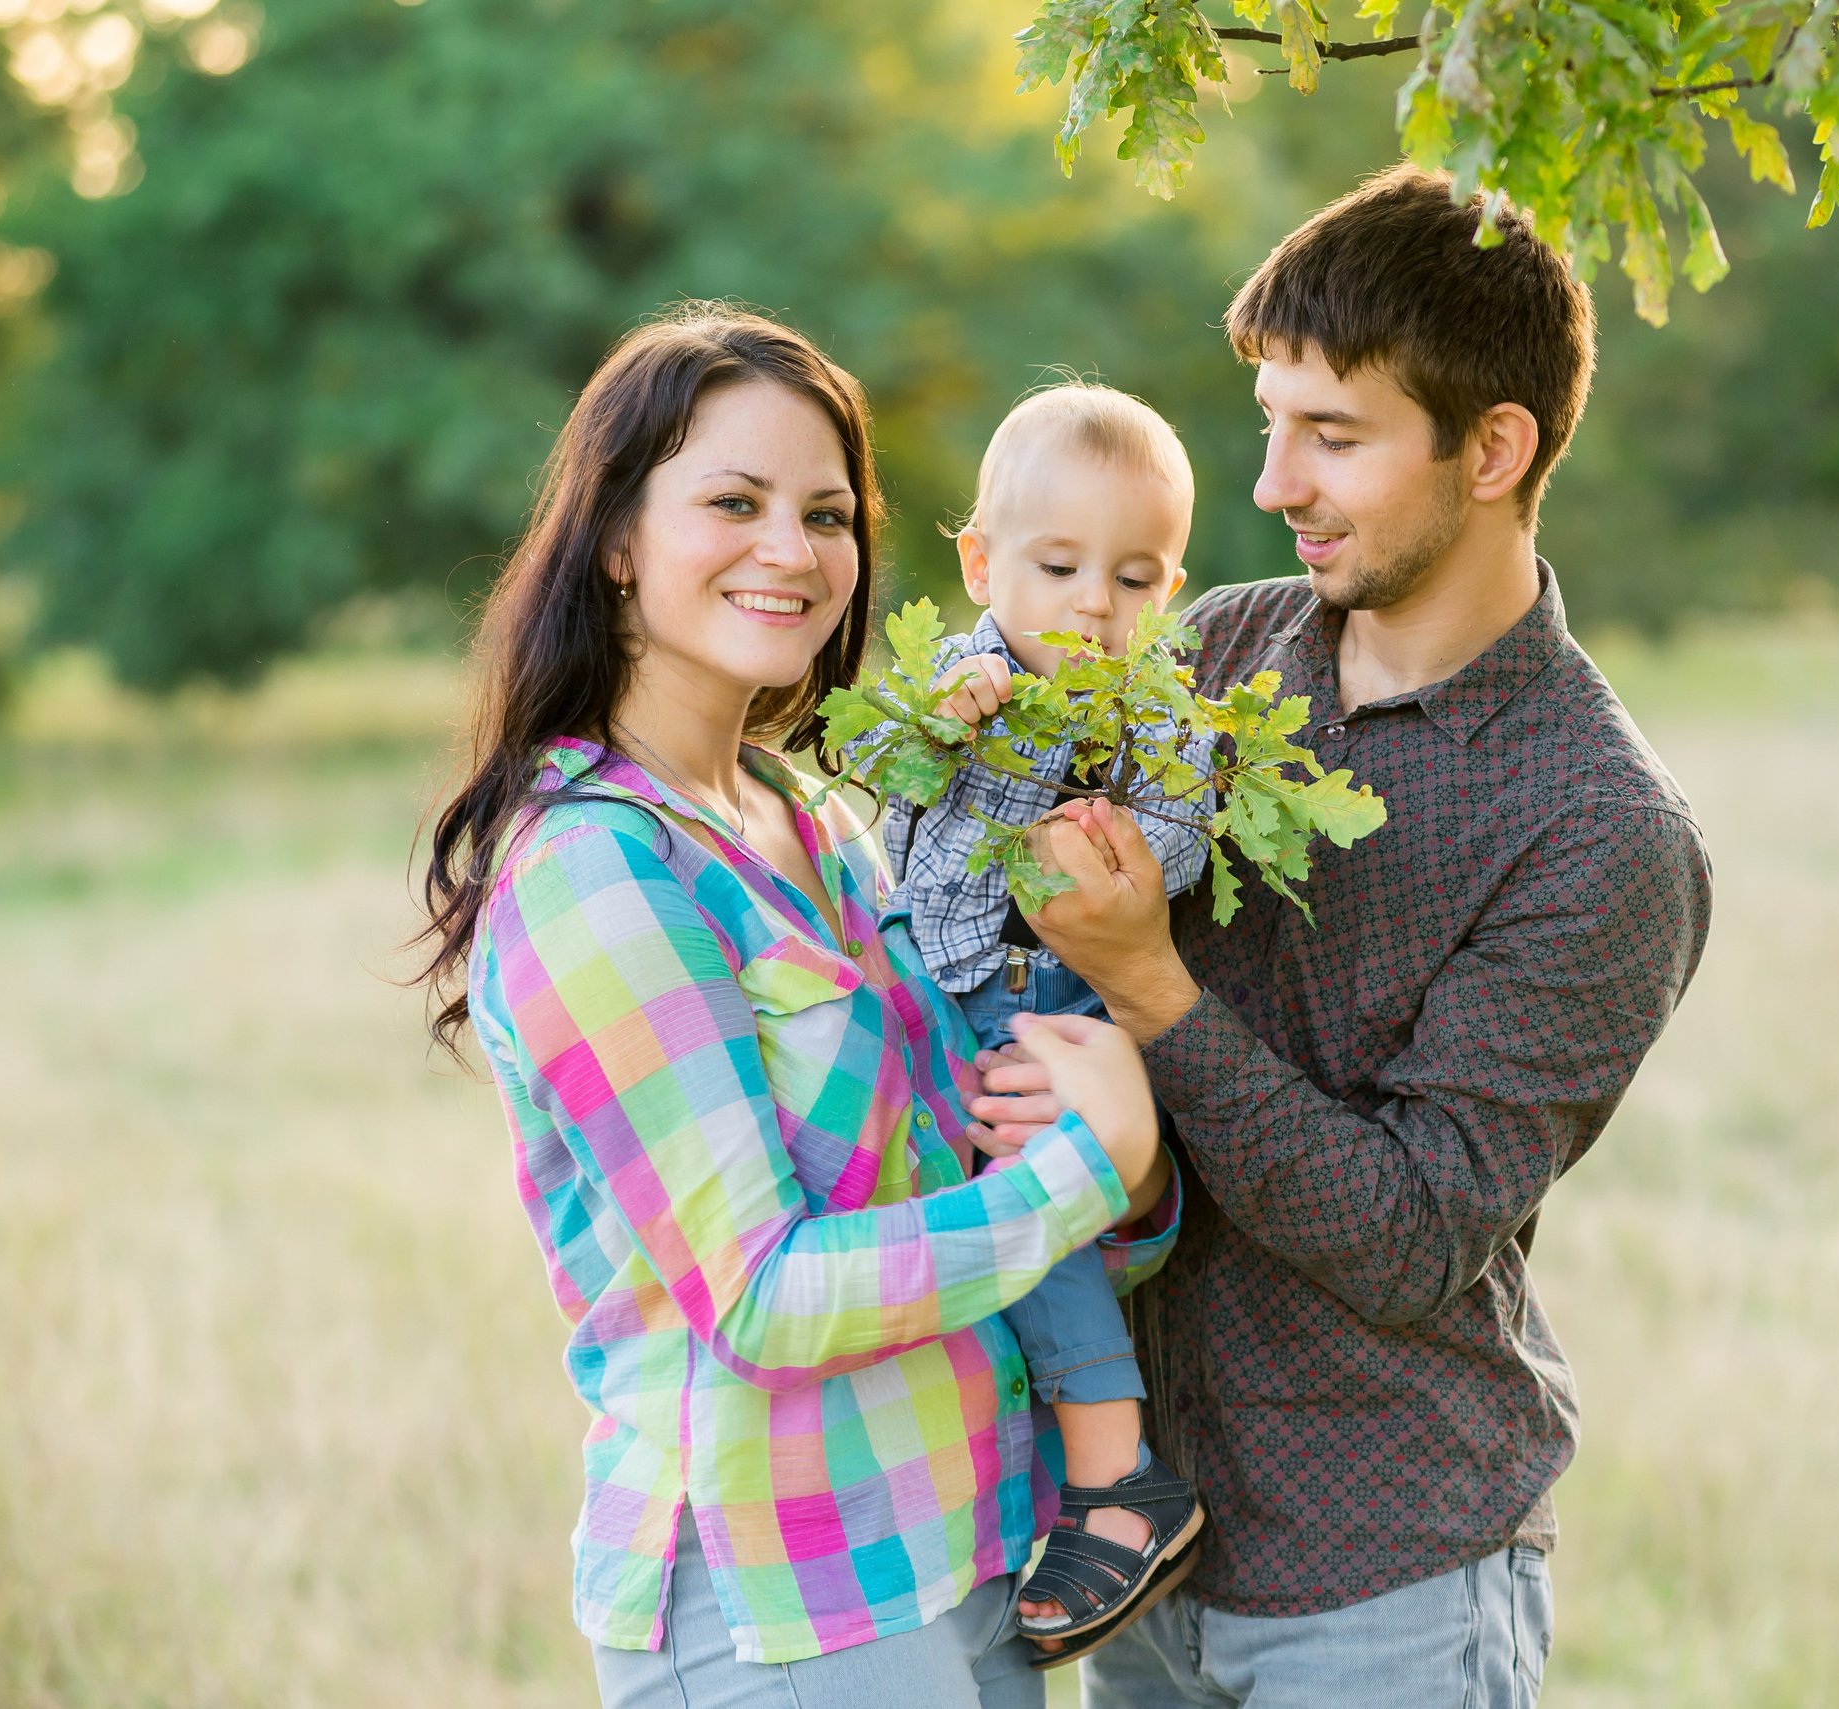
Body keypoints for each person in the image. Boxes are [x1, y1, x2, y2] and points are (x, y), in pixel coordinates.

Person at [969, 167, 1716, 1706]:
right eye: (1269, 423)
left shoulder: (1602, 830)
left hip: (1387, 1573)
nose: (1271, 484)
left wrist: (1148, 984)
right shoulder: (1212, 647)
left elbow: (1409, 1233)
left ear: (1493, 449)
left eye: (1334, 436)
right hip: (1141, 1542)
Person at [414, 305, 1178, 1709]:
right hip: (781, 1606)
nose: (793, 550)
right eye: (734, 502)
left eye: (825, 513)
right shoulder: (599, 867)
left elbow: (962, 1165)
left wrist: (1119, 1170)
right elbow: (761, 1296)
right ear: (616, 538)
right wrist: (1091, 1170)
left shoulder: (819, 816)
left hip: (971, 1548)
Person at [873, 382, 1212, 1658]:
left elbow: (1174, 852)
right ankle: (1025, 1477)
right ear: (981, 561)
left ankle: (1117, 1478)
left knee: (1042, 1208)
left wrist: (1115, 839)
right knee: (949, 1224)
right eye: (1060, 566)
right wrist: (948, 723)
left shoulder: (1155, 712)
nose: (1093, 604)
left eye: (1134, 577)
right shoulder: (972, 675)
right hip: (933, 982)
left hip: (1037, 995)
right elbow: (894, 783)